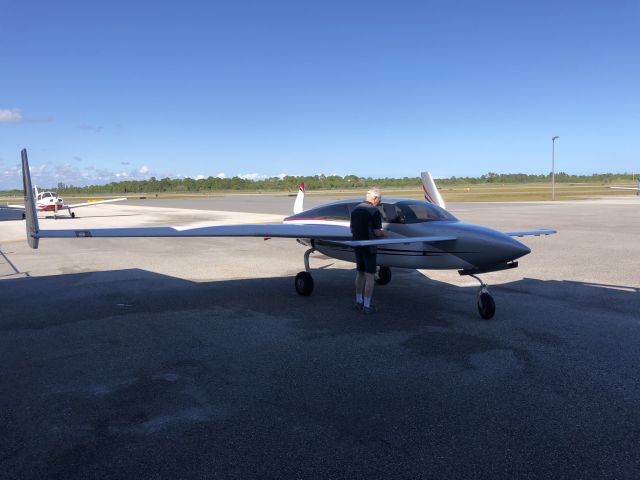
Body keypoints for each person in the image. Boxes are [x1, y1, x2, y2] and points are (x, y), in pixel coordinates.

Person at [350, 187, 385, 314]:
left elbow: (353, 228)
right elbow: (377, 231)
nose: (379, 202)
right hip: (369, 246)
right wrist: (385, 234)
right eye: (379, 199)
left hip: (357, 244)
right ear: (374, 198)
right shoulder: (374, 211)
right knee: (370, 275)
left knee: (360, 273)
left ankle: (358, 302)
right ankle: (367, 305)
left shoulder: (355, 209)